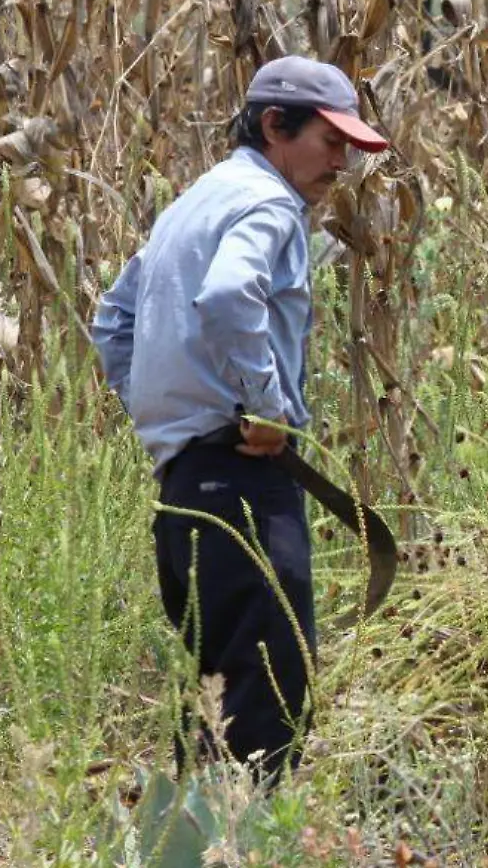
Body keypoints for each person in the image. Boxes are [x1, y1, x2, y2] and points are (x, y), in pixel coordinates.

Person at [88, 55, 389, 782]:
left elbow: (111, 321)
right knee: (268, 704)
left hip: (186, 489)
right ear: (275, 125)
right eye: (330, 141)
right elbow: (228, 298)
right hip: (243, 481)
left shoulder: (194, 201)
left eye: (352, 147)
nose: (341, 163)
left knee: (220, 698)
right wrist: (263, 408)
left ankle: (188, 847)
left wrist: (170, 421)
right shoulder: (268, 204)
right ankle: (242, 851)